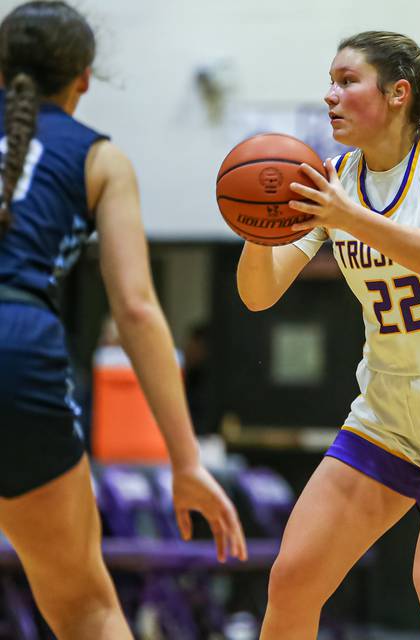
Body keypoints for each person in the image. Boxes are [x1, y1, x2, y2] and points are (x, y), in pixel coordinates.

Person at [238, 31, 420, 639]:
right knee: (292, 578)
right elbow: (258, 293)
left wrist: (348, 217)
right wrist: (257, 224)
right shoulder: (334, 180)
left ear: (398, 94)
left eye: (348, 81)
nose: (330, 96)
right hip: (386, 404)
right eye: (330, 81)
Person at [0, 3, 247, 638]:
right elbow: (136, 309)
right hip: (18, 346)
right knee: (85, 608)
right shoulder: (99, 159)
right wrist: (185, 461)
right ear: (83, 79)